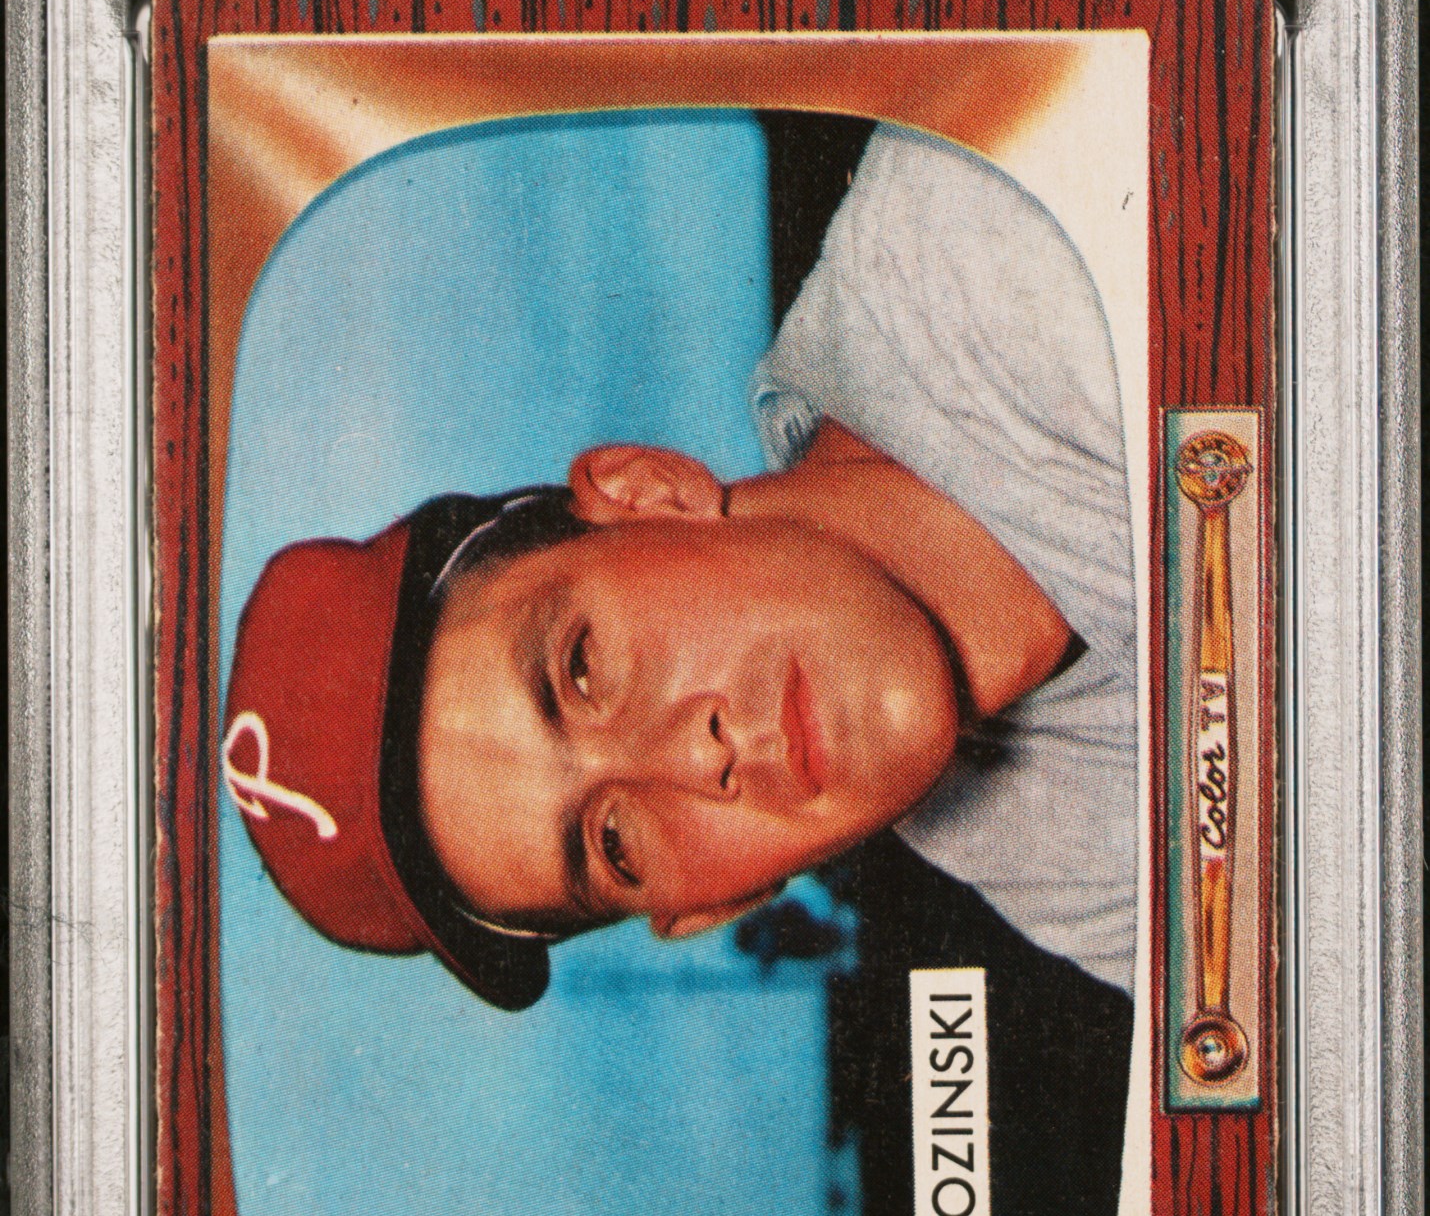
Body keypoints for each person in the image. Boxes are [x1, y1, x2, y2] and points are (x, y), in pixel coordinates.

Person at [223, 122, 1137, 1013]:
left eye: (582, 668)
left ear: (645, 491)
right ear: (713, 907)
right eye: (615, 843)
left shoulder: (1002, 230)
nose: (698, 757)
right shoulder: (1056, 874)